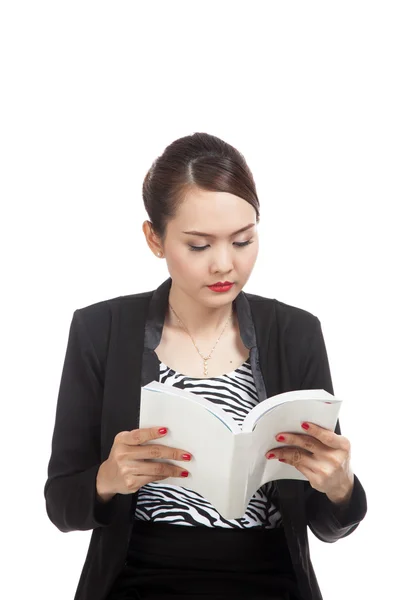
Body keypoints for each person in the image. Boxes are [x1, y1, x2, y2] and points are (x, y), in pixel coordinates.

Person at [44, 132, 367, 600]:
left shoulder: (296, 333)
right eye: (198, 246)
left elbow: (328, 523)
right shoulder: (101, 330)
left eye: (243, 240)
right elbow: (60, 504)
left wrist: (340, 487)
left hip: (269, 577)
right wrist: (107, 479)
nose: (225, 265)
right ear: (154, 238)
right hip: (139, 576)